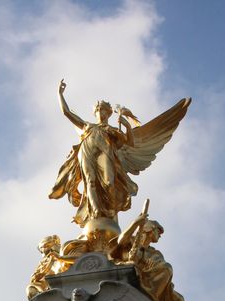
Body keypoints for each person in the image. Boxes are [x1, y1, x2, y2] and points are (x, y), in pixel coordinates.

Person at [49, 80, 191, 234]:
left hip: (105, 153)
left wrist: (127, 125)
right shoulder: (87, 126)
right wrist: (60, 94)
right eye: (98, 110)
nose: (100, 112)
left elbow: (130, 142)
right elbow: (66, 112)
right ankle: (95, 211)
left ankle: (110, 211)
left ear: (108, 113)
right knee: (90, 181)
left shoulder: (112, 130)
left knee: (109, 182)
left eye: (103, 110)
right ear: (94, 113)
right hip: (87, 152)